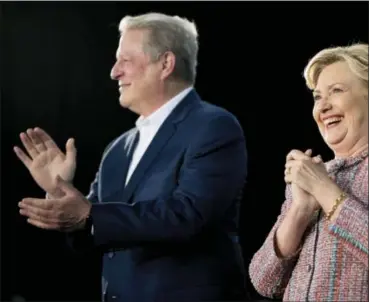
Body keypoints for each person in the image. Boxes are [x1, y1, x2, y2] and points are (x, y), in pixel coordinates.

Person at [15, 13, 248, 302]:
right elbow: (89, 231)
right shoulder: (117, 149)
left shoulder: (213, 126)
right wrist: (60, 191)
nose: (114, 72)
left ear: (166, 63)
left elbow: (189, 215)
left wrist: (88, 214)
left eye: (125, 59)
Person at [248, 43, 369, 301]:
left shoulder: (317, 180)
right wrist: (300, 210)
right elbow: (263, 281)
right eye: (317, 96)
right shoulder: (311, 177)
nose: (322, 107)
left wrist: (325, 191)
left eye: (336, 91)